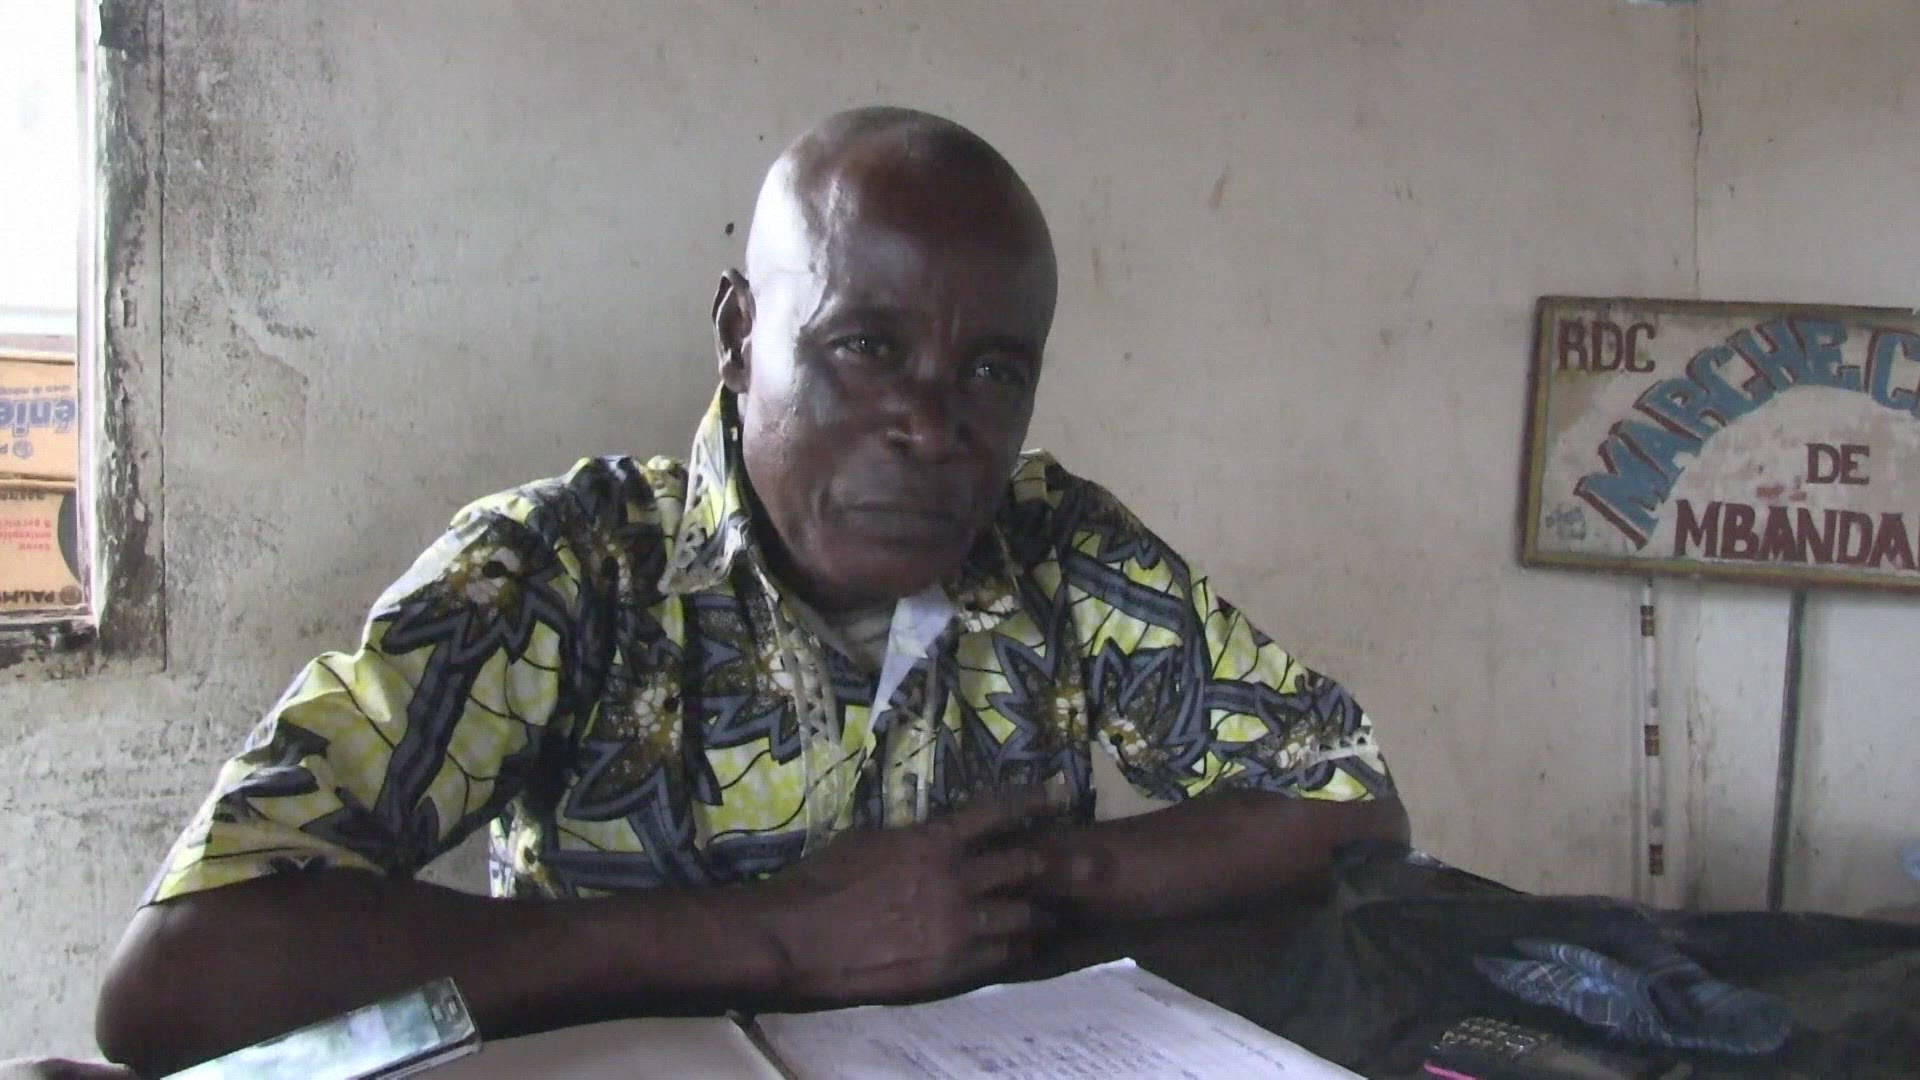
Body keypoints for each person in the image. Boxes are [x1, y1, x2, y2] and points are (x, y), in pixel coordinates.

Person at [95, 107, 1409, 1074]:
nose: (932, 425)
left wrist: (1034, 881)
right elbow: (178, 978)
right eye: (866, 346)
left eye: (993, 373)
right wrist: (772, 936)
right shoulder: (565, 571)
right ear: (738, 332)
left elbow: (1346, 798)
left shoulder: (1055, 549)